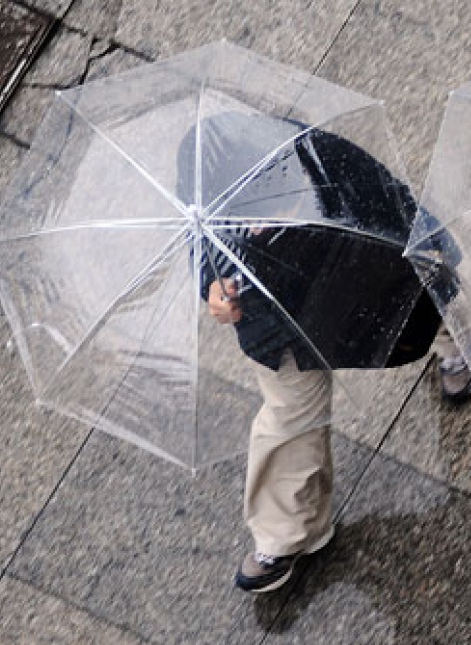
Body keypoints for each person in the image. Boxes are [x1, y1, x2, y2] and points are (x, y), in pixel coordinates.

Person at [189, 113, 454, 592]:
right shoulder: (204, 173)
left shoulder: (321, 157)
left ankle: (459, 344)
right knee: (289, 416)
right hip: (275, 324)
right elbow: (198, 244)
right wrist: (212, 287)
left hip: (356, 280)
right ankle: (287, 533)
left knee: (420, 309)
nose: (261, 225)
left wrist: (437, 251)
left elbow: (396, 208)